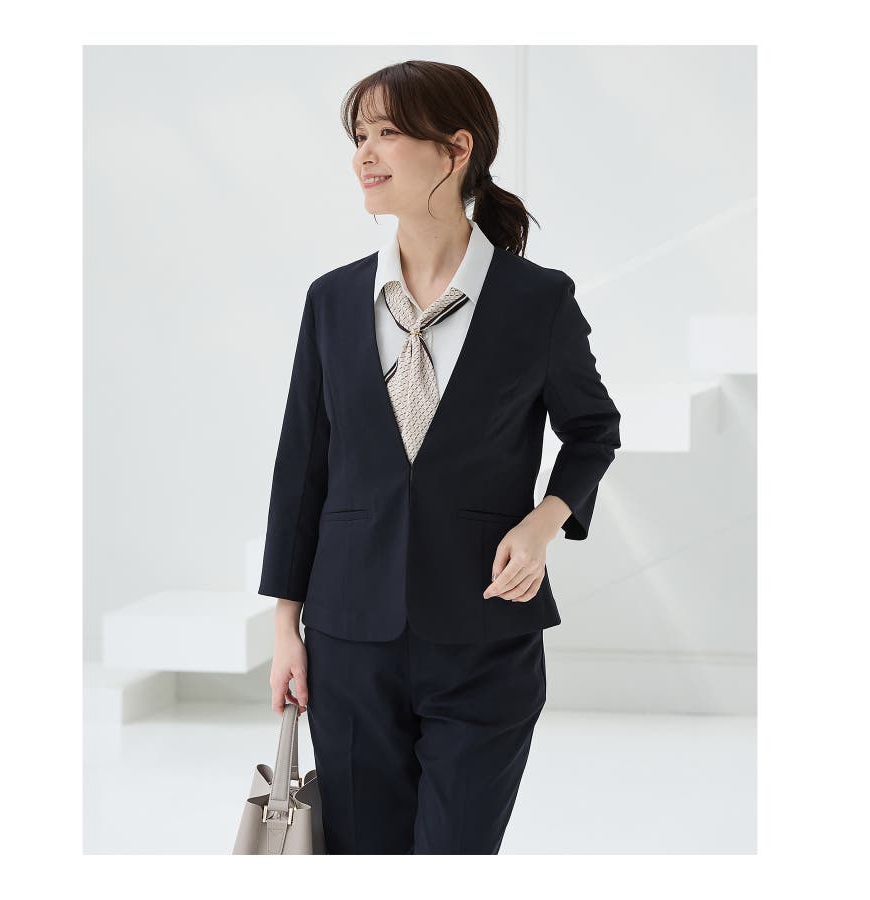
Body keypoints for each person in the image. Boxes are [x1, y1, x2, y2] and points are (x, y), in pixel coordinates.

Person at [258, 60, 622, 854]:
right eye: (359, 134)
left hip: (484, 636)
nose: (364, 153)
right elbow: (302, 469)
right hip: (349, 638)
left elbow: (593, 430)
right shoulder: (332, 300)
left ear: (457, 149)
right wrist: (286, 626)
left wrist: (542, 524)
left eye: (387, 132)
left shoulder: (538, 301)